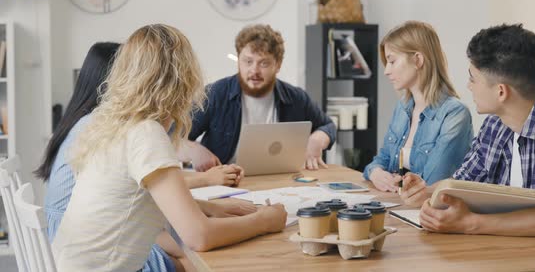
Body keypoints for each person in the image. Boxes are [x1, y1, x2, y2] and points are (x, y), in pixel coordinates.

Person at [51, 25, 287, 271]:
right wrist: (264, 221)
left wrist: (210, 208)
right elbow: (199, 236)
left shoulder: (110, 123)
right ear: (182, 79)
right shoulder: (145, 133)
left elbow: (140, 196)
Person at [401, 24, 535, 249]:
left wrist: (472, 223)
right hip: (507, 256)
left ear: (501, 91)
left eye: (473, 78)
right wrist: (427, 191)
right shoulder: (495, 123)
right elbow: (463, 184)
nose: (468, 86)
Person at [188, 24, 336, 170]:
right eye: (248, 61)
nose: (254, 70)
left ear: (278, 65)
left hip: (278, 181)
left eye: (264, 63)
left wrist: (317, 139)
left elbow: (328, 126)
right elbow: (172, 138)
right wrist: (195, 151)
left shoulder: (296, 98)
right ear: (238, 60)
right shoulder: (215, 93)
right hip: (225, 182)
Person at [363, 21, 473, 191]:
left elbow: (431, 182)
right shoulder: (403, 107)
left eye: (392, 61)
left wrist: (396, 181)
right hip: (397, 204)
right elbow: (382, 159)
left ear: (418, 60)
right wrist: (375, 172)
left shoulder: (454, 114)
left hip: (429, 212)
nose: (386, 71)